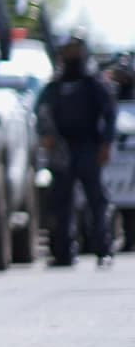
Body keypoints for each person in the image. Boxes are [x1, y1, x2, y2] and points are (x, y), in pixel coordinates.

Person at [38, 35, 117, 267]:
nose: (71, 55)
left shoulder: (93, 83)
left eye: (75, 50)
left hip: (88, 147)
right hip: (63, 149)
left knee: (96, 200)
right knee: (61, 201)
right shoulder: (55, 85)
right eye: (68, 50)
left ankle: (103, 248)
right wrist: (47, 136)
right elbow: (42, 112)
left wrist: (106, 143)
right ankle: (63, 252)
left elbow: (109, 114)